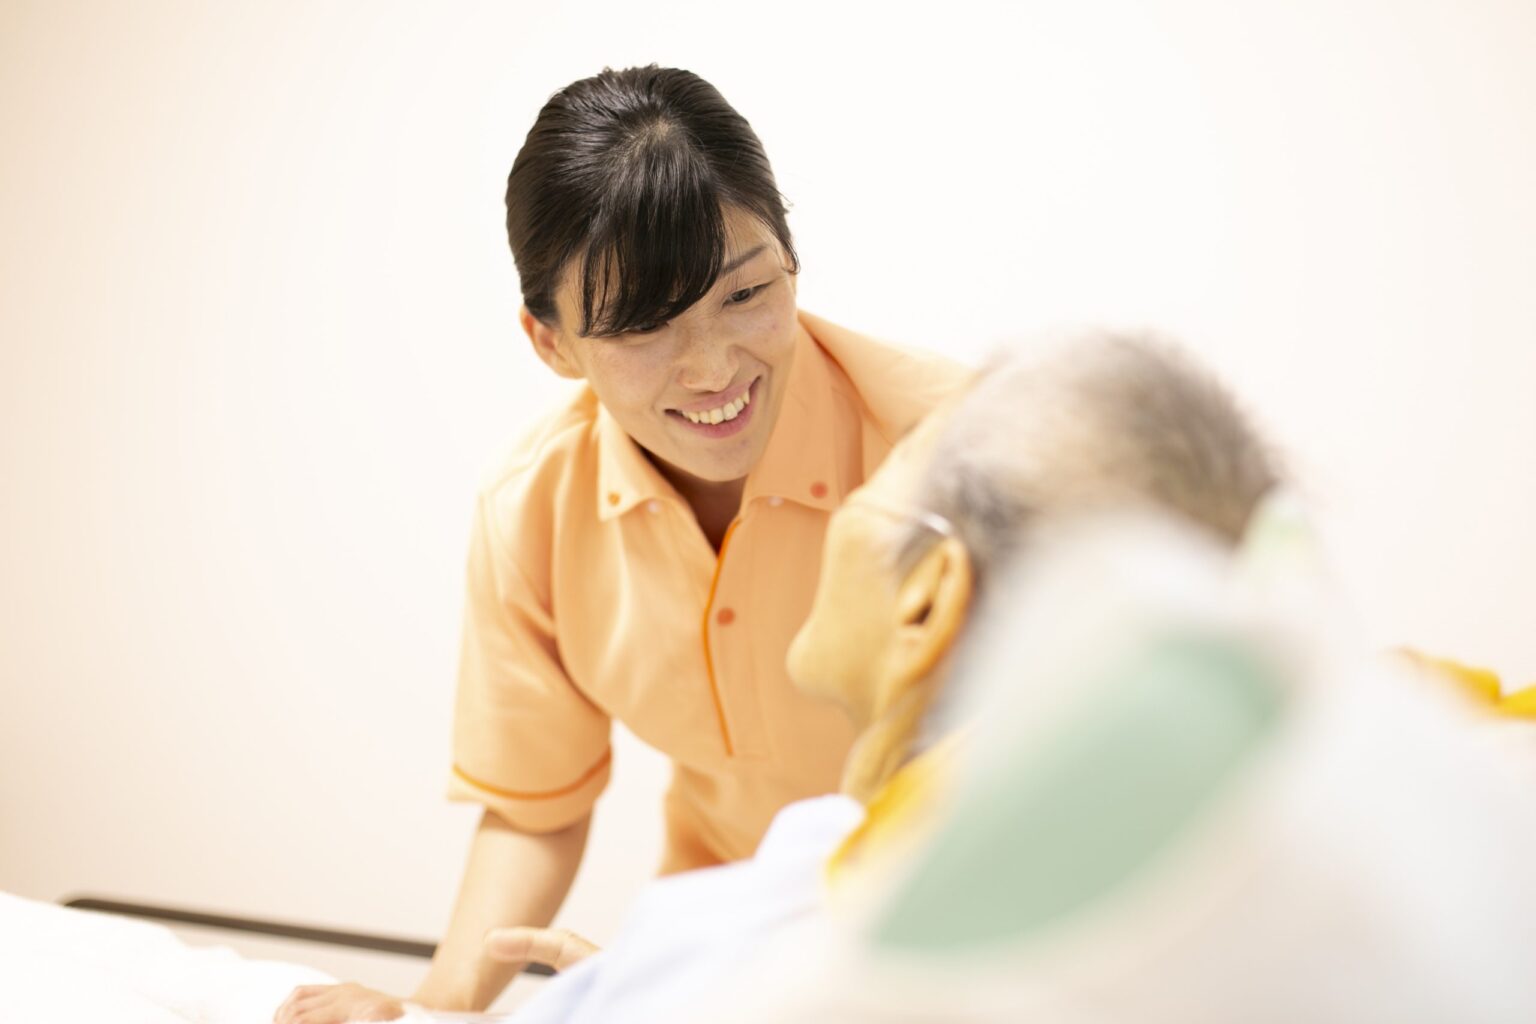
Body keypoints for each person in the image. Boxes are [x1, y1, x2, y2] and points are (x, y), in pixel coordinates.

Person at [273, 65, 968, 1024]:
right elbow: (535, 807)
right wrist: (433, 1011)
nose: (714, 368)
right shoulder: (533, 511)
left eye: (745, 293)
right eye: (643, 329)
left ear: (791, 257)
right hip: (720, 950)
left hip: (960, 937)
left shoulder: (964, 457)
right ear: (552, 343)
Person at [465, 330, 1290, 1023]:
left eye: (888, 477)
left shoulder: (821, 932)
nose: (711, 368)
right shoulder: (867, 890)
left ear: (928, 600)